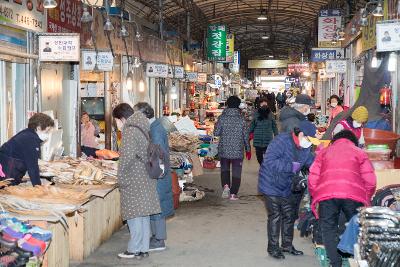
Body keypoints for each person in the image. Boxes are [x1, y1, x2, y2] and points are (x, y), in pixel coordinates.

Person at [308, 130, 376, 267]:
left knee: (328, 228)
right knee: (356, 226)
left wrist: (316, 195)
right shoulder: (360, 152)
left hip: (327, 194)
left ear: (335, 140)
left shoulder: (324, 152)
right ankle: (355, 259)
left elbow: (312, 177)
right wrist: (366, 198)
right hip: (353, 195)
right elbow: (370, 181)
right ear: (353, 141)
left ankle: (335, 263)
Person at [258, 122, 315, 260]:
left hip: (287, 184)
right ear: (301, 134)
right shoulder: (281, 141)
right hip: (270, 183)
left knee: (289, 215)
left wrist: (322, 165)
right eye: (309, 139)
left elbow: (310, 161)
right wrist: (290, 166)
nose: (310, 143)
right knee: (275, 215)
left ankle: (287, 245)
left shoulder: (305, 146)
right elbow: (269, 161)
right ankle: (273, 248)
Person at [113, 103, 161, 260]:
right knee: (142, 214)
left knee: (133, 215)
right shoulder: (142, 125)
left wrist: (120, 177)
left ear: (122, 118)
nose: (117, 125)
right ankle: (143, 248)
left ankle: (133, 249)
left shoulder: (129, 130)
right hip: (145, 176)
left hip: (134, 178)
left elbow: (126, 158)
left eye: (116, 121)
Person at [133, 102, 174, 252]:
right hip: (157, 175)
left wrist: (152, 174)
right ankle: (156, 237)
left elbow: (157, 157)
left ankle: (159, 240)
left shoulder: (155, 130)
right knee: (156, 206)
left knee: (158, 207)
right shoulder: (153, 127)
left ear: (144, 115)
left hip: (158, 176)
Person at [0, 113, 54, 186]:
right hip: (7, 174)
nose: (48, 134)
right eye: (47, 131)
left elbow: (30, 161)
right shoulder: (30, 139)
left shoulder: (28, 134)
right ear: (38, 127)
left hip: (8, 169)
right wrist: (38, 187)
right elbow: (32, 167)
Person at [214, 95, 251, 201]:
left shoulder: (222, 118)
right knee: (236, 171)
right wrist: (248, 149)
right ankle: (233, 194)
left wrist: (218, 126)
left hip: (224, 149)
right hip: (237, 151)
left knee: (224, 169)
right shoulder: (242, 119)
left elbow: (216, 133)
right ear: (238, 105)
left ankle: (226, 186)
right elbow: (246, 136)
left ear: (227, 104)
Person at [249, 98, 278, 164]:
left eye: (265, 103)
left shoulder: (270, 114)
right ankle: (262, 166)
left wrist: (276, 135)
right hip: (257, 138)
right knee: (259, 156)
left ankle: (265, 168)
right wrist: (247, 133)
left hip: (268, 138)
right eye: (262, 103)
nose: (264, 104)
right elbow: (252, 125)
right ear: (259, 104)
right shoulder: (256, 113)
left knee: (267, 156)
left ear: (267, 104)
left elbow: (274, 125)